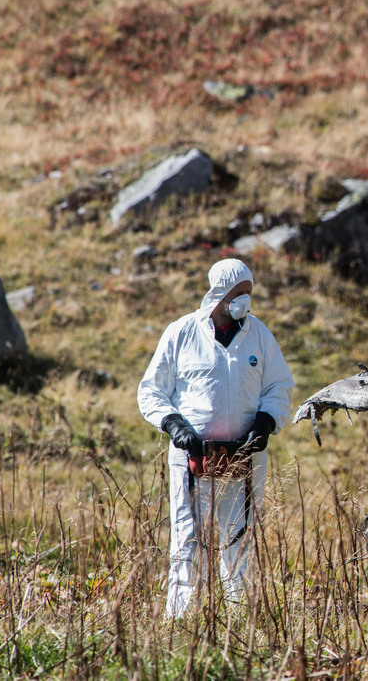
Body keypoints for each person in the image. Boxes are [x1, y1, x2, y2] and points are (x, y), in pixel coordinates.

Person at [138, 259, 294, 619]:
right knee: (187, 540)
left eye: (248, 293)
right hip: (193, 459)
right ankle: (179, 621)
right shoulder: (182, 333)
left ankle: (238, 621)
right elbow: (151, 391)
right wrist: (174, 424)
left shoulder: (259, 335)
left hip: (244, 458)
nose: (245, 301)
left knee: (238, 541)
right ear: (220, 294)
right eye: (238, 293)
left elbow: (279, 386)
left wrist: (265, 423)